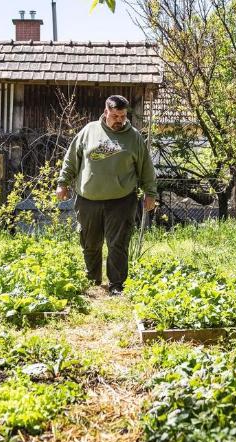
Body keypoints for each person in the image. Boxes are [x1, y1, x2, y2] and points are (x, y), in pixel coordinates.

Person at [56, 95, 157, 295]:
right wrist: (62, 183)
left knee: (117, 244)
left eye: (123, 116)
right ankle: (93, 279)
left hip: (121, 201)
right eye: (115, 115)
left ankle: (116, 284)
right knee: (89, 242)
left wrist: (150, 193)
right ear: (106, 112)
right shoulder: (89, 131)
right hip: (88, 199)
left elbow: (146, 167)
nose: (119, 120)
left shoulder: (134, 137)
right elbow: (71, 159)